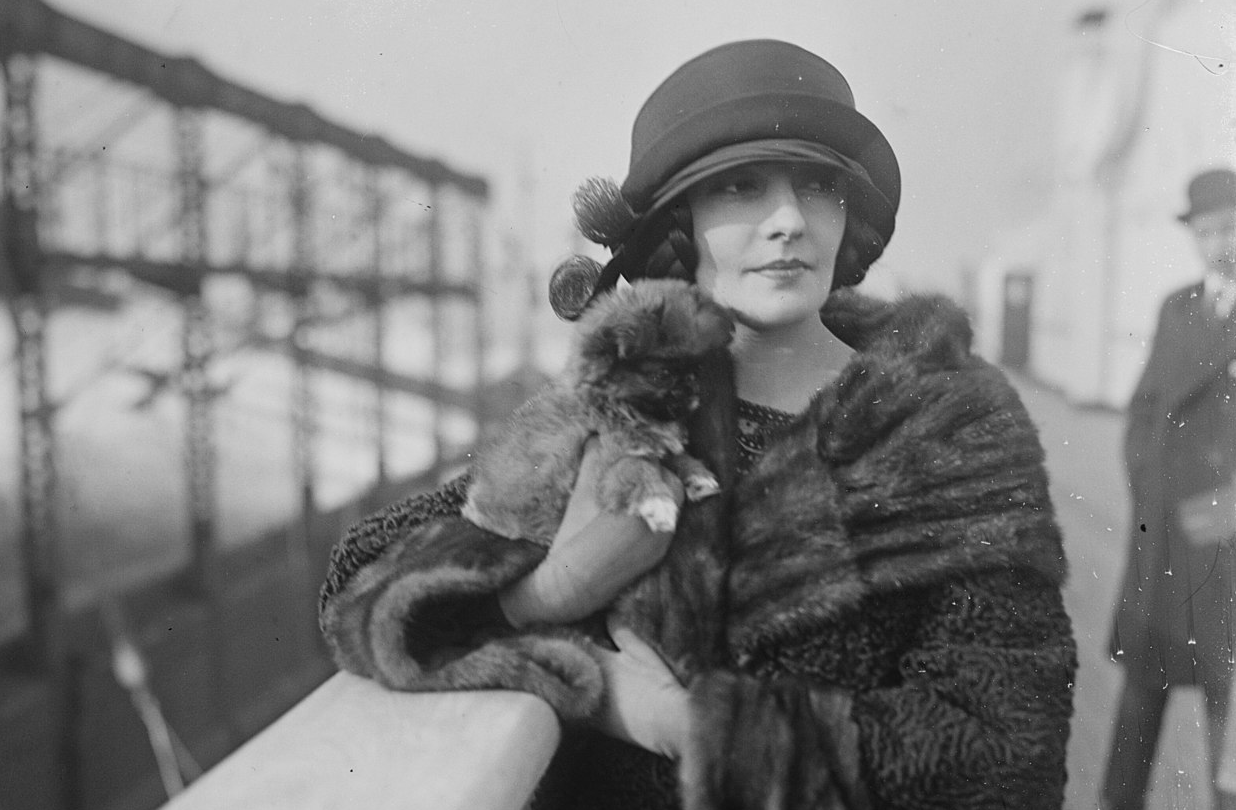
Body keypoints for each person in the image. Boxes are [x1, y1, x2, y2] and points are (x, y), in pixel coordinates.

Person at [319, 39, 1076, 809]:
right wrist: (550, 592)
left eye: (817, 185)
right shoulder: (627, 403)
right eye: (740, 187)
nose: (787, 221)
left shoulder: (949, 428)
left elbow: (1005, 748)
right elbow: (361, 579)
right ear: (681, 226)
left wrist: (687, 727)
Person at [1100, 167, 1236, 810]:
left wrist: (1227, 508)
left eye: (1231, 226)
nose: (1220, 242)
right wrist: (1148, 485)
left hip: (1229, 538)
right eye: (1207, 231)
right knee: (1143, 685)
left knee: (1231, 696)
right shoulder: (1177, 307)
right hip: (1163, 533)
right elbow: (1144, 409)